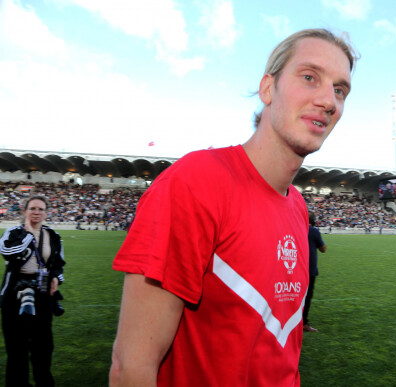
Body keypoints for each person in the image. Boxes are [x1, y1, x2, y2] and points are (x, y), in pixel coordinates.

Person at [109, 28, 357, 386]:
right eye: (309, 77)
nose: (329, 101)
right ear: (268, 88)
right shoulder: (196, 182)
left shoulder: (298, 207)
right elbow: (131, 367)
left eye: (339, 90)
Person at [0, 195, 66, 387]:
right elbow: (7, 252)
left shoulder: (53, 235)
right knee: (16, 347)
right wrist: (28, 234)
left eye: (40, 209)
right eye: (33, 208)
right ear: (25, 211)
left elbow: (59, 264)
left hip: (42, 294)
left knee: (43, 346)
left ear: (46, 212)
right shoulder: (13, 232)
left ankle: (43, 382)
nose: (36, 212)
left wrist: (55, 277)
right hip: (15, 294)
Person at [303, 211, 327, 332]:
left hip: (293, 268)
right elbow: (323, 249)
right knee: (307, 297)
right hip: (309, 269)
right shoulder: (314, 231)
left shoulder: (295, 227)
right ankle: (304, 323)